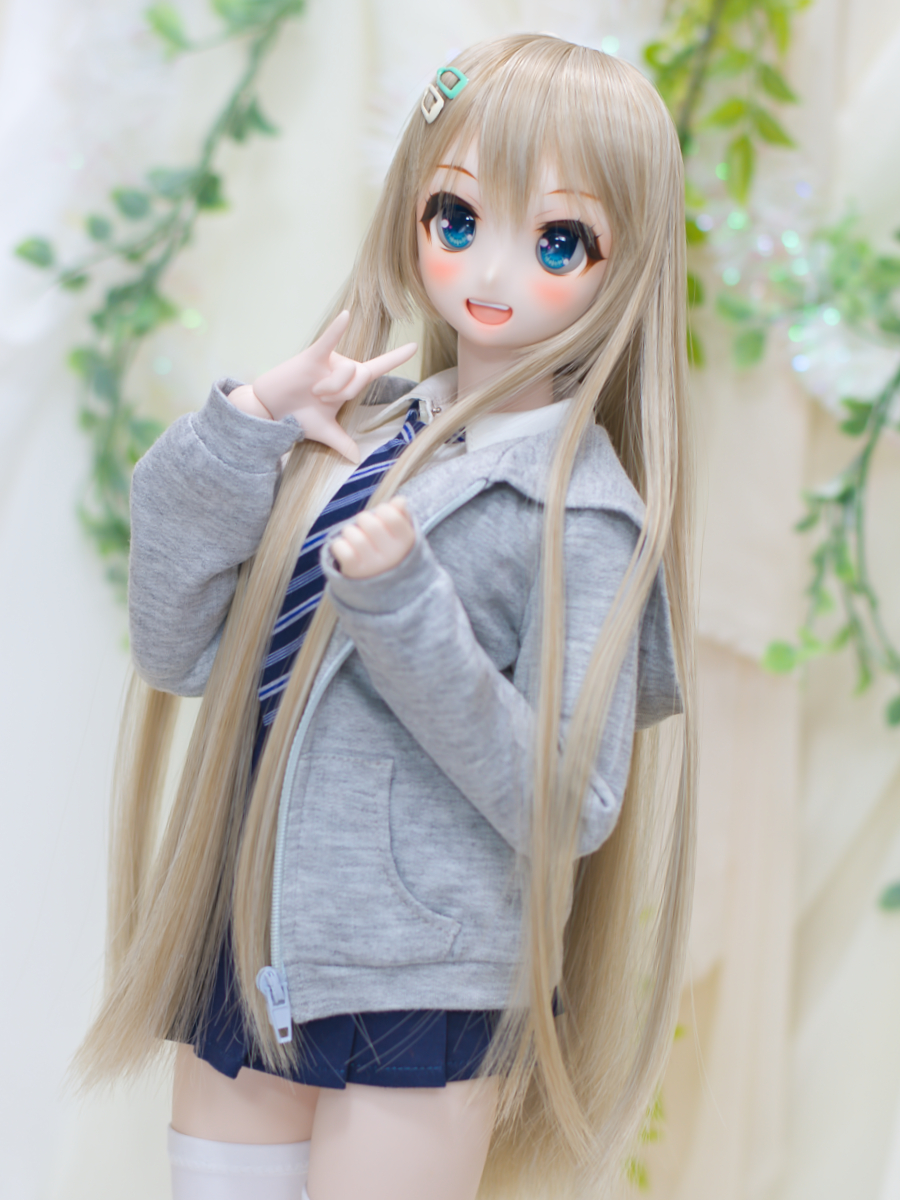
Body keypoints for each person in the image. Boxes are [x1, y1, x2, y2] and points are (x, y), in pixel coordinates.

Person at [77, 33, 696, 1200]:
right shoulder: (353, 435)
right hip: (254, 932)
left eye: (557, 240)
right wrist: (247, 426)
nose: (491, 271)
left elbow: (571, 802)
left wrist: (407, 611)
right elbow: (178, 649)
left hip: (423, 975)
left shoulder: (581, 514)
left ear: (626, 262)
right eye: (456, 218)